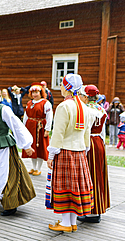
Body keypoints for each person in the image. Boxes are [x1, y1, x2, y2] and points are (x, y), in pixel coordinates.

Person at [0, 86, 36, 216]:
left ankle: (10, 203)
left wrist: (26, 145)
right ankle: (1, 195)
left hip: (2, 148)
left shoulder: (4, 110)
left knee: (2, 174)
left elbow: (16, 126)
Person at [46, 73, 94, 233]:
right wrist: (85, 150)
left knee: (65, 186)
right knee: (75, 187)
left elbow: (58, 133)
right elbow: (87, 133)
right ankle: (72, 222)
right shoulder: (85, 107)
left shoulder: (64, 106)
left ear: (66, 87)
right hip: (79, 152)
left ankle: (66, 223)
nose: (60, 86)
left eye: (62, 83)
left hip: (65, 151)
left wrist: (51, 154)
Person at [78, 85, 110, 223]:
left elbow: (84, 130)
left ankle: (91, 211)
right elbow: (102, 131)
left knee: (89, 175)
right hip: (99, 142)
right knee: (98, 174)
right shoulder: (101, 109)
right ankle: (98, 207)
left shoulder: (85, 109)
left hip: (88, 142)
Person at [22, 83, 53, 176]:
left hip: (40, 127)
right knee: (32, 147)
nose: (35, 94)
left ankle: (38, 168)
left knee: (39, 148)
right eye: (33, 92)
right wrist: (23, 128)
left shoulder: (46, 103)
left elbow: (49, 116)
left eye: (36, 92)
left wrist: (47, 129)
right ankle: (34, 167)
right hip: (30, 127)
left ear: (41, 93)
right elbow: (26, 116)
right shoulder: (29, 103)